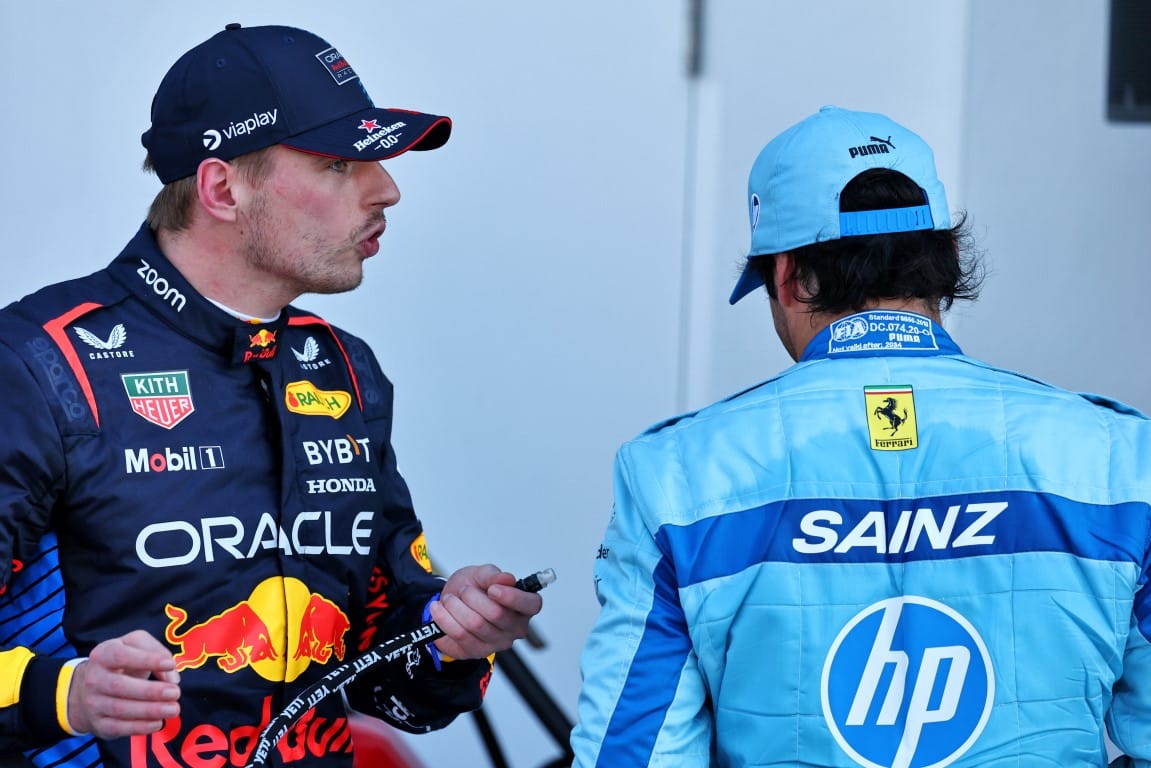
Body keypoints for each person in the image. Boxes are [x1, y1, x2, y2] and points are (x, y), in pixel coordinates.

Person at [0, 23, 544, 768]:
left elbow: (387, 684)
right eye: (335, 164)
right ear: (223, 188)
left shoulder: (340, 368)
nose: (386, 188)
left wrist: (449, 634)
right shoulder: (41, 362)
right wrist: (61, 697)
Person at [569, 105, 1151, 767]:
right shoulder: (1122, 459)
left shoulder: (673, 473)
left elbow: (633, 757)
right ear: (948, 257)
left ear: (784, 274)